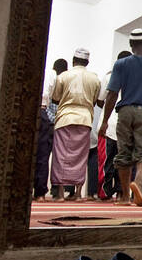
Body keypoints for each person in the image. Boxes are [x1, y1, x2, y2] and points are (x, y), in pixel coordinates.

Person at [97, 28, 142, 207]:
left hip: (125, 111)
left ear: (130, 45)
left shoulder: (121, 64)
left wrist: (105, 121)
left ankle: (125, 196)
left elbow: (112, 94)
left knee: (124, 154)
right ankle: (138, 183)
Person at [48, 48, 101, 202]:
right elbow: (95, 99)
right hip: (84, 119)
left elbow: (56, 98)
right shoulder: (94, 78)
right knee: (81, 156)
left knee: (61, 156)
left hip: (65, 118)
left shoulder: (64, 76)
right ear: (87, 62)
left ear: (73, 60)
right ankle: (78, 193)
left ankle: (60, 194)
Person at [33, 58, 67, 201]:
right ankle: (40, 193)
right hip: (43, 112)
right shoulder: (53, 75)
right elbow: (54, 97)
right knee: (42, 155)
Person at [99, 51, 130, 201]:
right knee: (124, 160)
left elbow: (101, 99)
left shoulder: (109, 76)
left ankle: (105, 193)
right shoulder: (136, 79)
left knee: (107, 161)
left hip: (110, 123)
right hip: (126, 124)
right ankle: (121, 193)